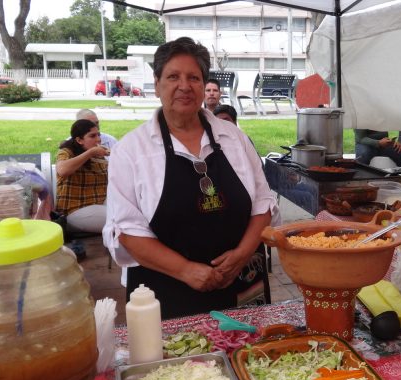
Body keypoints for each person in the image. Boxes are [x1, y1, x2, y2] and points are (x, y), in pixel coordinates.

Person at [104, 37, 277, 319]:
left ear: (203, 84)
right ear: (157, 82)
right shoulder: (131, 151)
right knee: (179, 361)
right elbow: (126, 230)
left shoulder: (234, 138)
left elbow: (263, 203)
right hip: (166, 290)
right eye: (173, 76)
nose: (184, 86)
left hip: (241, 281)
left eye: (194, 77)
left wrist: (242, 255)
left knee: (252, 355)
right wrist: (186, 270)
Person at [55, 119, 109, 233]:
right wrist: (90, 153)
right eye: (92, 136)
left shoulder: (99, 155)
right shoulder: (66, 152)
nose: (98, 139)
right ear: (79, 140)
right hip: (76, 210)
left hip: (101, 204)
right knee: (118, 220)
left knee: (128, 212)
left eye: (98, 135)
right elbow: (62, 170)